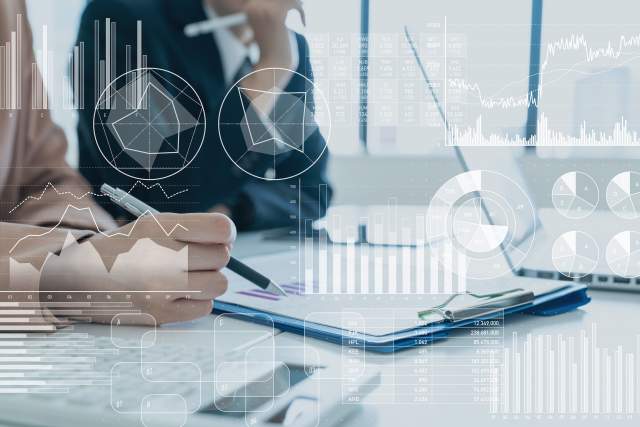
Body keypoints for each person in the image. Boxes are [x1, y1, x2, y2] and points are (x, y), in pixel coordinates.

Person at [0, 0, 234, 330]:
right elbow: (168, 185)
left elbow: (44, 175)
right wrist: (65, 271)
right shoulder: (118, 17)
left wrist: (88, 241)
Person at [76, 0, 333, 231]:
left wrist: (235, 209)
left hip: (237, 252)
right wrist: (268, 74)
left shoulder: (290, 47)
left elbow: (311, 192)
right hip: (127, 257)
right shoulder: (121, 19)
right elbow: (163, 198)